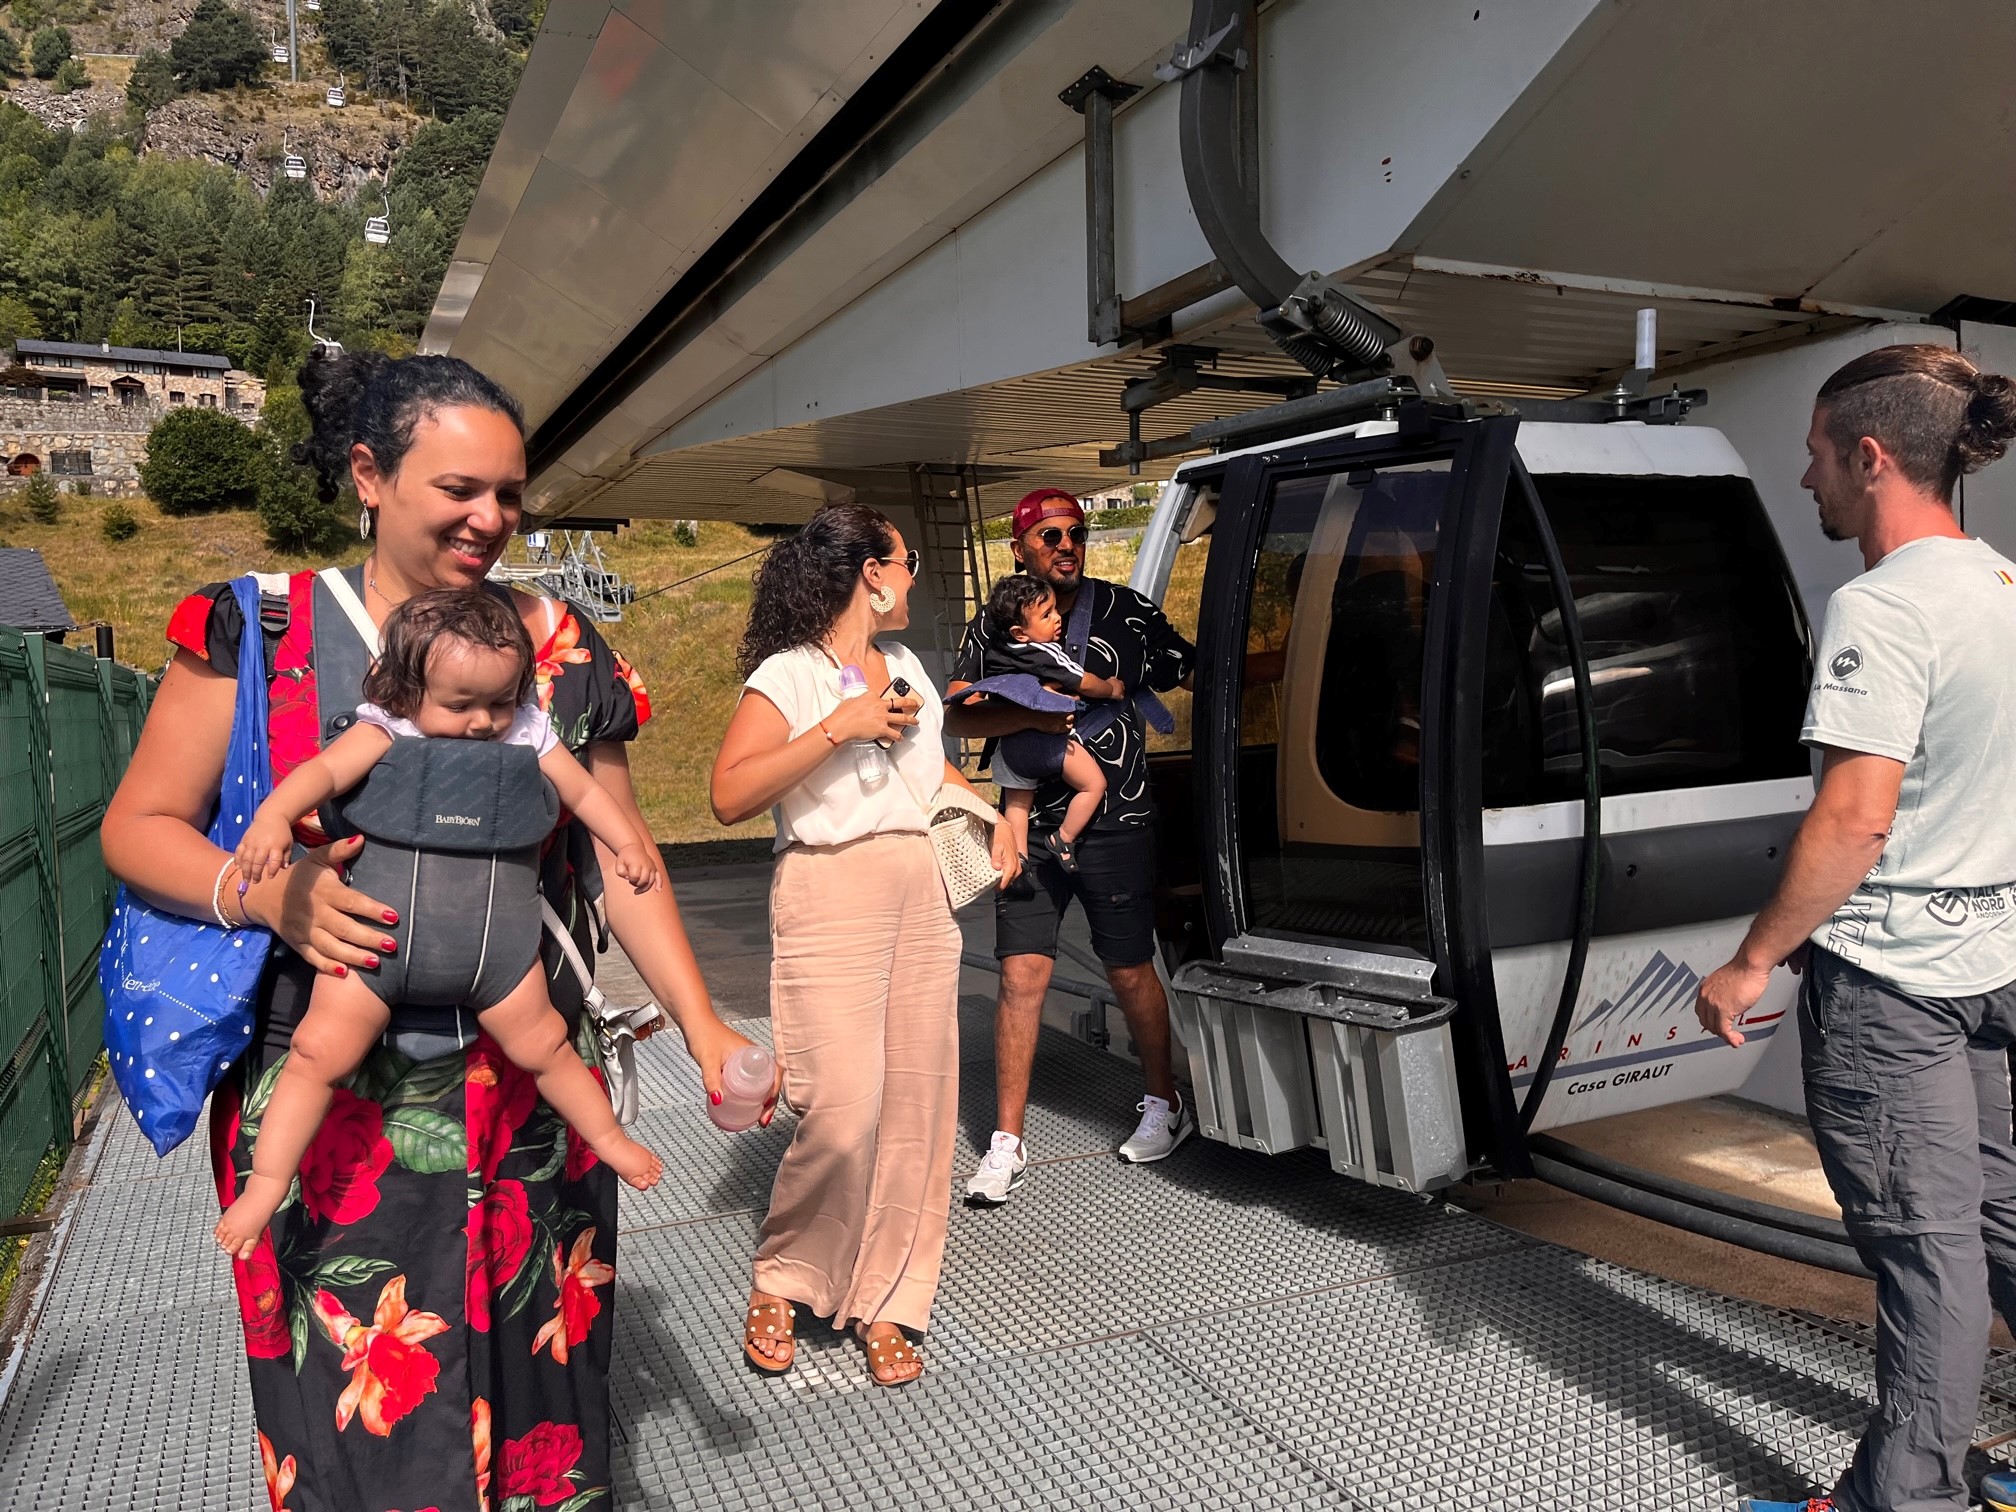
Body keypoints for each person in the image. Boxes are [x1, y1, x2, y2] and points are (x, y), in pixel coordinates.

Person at [101, 350, 769, 1511]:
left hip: (528, 1103)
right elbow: (137, 826)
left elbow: (620, 863)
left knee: (541, 1404)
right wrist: (266, 896)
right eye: (459, 488)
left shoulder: (559, 644)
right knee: (356, 1420)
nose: (490, 518)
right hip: (330, 1102)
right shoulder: (263, 628)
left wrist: (707, 1028)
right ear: (370, 475)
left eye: (509, 493)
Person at [1692, 345, 2016, 1512]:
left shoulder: (1881, 607)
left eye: (1817, 454)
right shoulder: (2003, 585)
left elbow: (1854, 819)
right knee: (1998, 1218)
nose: (1806, 477)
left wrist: (1750, 962)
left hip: (1894, 981)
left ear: (1870, 457)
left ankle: (1905, 1499)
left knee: (1926, 1251)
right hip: (1990, 962)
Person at [215, 589, 666, 1260]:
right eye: (460, 705)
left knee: (548, 1047)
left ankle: (609, 1140)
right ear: (405, 691)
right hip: (377, 947)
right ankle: (267, 1184)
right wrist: (274, 817)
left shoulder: (528, 733)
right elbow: (322, 772)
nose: (484, 721)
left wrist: (626, 842)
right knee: (314, 1055)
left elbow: (584, 792)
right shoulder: (386, 729)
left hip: (499, 956)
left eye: (500, 701)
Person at [711, 502, 1018, 1388]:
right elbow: (728, 795)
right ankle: (786, 1274)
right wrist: (836, 728)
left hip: (922, 893)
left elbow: (927, 770)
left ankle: (889, 1298)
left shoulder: (908, 666)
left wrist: (990, 815)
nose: (915, 574)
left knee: (918, 1109)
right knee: (842, 1108)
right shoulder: (789, 674)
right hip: (829, 888)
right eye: (906, 559)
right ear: (871, 574)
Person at [948, 487, 1197, 1205]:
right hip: (1025, 823)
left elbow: (1190, 665)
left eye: (1076, 533)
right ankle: (1006, 1142)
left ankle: (1164, 1103)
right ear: (1021, 548)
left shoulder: (1125, 610)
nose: (1067, 546)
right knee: (1020, 974)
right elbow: (958, 716)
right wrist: (1027, 713)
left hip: (1117, 815)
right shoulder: (995, 620)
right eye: (1050, 535)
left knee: (1129, 968)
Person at [957, 572, 1130, 874]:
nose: (1057, 618)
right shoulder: (1045, 652)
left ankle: (1019, 860)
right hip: (1044, 743)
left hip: (1009, 746)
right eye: (1047, 614)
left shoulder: (995, 650)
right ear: (1020, 633)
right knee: (1093, 785)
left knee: (1017, 806)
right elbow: (1083, 681)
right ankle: (1063, 839)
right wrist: (1111, 688)